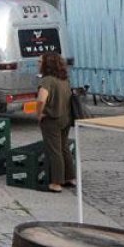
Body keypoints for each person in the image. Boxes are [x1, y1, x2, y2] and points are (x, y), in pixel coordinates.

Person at [35, 53, 76, 194]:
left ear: (47, 64)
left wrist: (39, 113)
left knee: (55, 151)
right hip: (66, 118)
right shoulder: (64, 80)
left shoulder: (47, 80)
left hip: (51, 119)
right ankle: (70, 177)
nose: (38, 63)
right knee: (64, 148)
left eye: (40, 61)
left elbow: (41, 99)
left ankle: (56, 182)